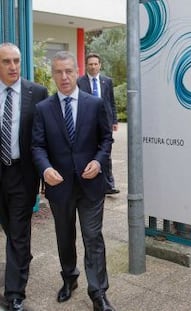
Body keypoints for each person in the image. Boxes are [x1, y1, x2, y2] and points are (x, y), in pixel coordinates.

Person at [32, 51, 115, 311]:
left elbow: (106, 140)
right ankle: (69, 278)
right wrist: (45, 169)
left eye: (68, 71)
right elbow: (37, 146)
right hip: (60, 187)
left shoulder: (94, 104)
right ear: (53, 74)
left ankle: (98, 292)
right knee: (64, 237)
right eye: (58, 72)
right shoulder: (43, 108)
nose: (64, 77)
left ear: (77, 71)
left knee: (93, 238)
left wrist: (99, 161)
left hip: (91, 185)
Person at [0, 42, 48, 311]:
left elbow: (45, 135)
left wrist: (48, 171)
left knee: (18, 231)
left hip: (22, 173)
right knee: (8, 225)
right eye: (6, 62)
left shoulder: (36, 92)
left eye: (16, 61)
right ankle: (22, 256)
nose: (13, 67)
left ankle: (15, 293)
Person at [77, 52, 119, 195]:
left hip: (105, 122)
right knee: (88, 151)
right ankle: (89, 182)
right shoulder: (79, 82)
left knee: (106, 152)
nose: (93, 67)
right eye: (90, 64)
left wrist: (114, 120)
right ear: (86, 66)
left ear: (100, 65)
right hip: (86, 122)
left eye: (96, 64)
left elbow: (111, 102)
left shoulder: (107, 81)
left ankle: (109, 185)